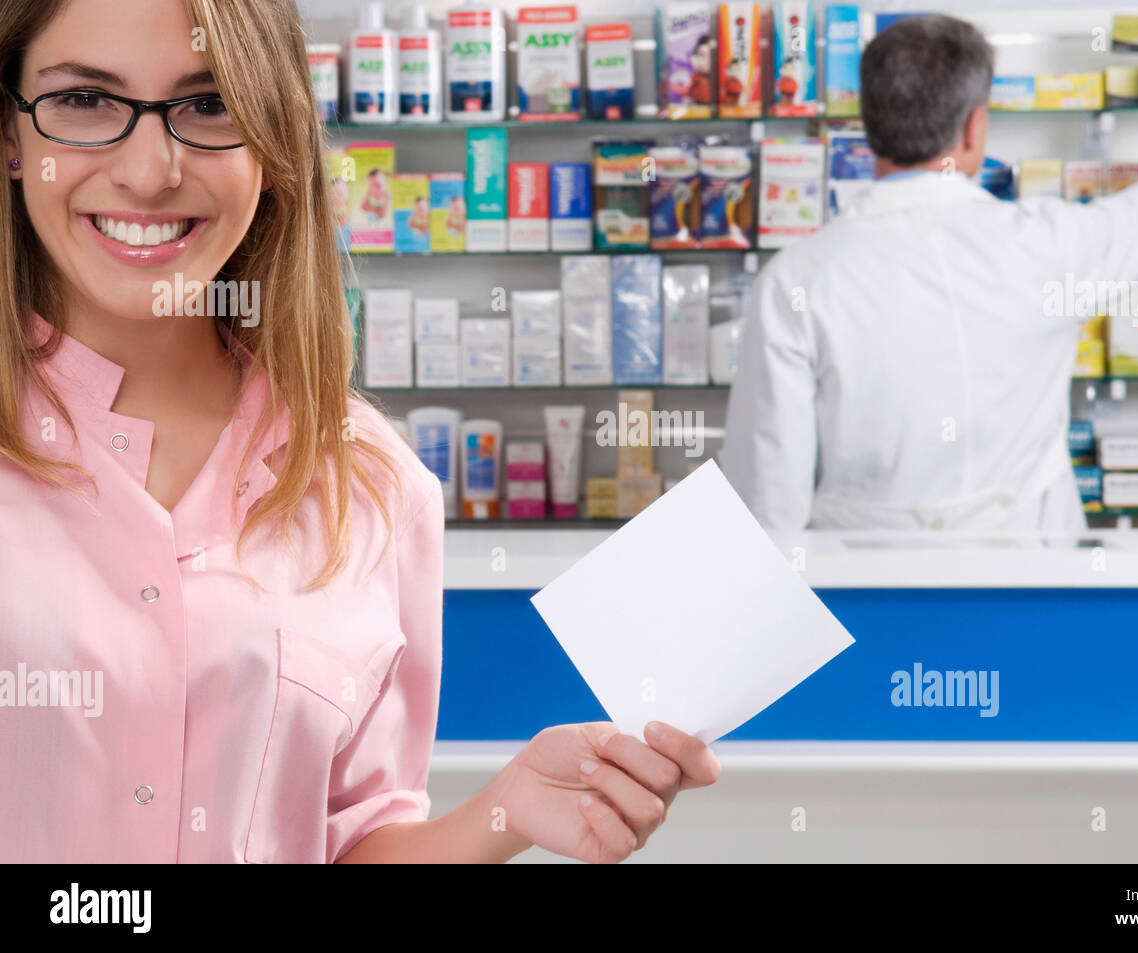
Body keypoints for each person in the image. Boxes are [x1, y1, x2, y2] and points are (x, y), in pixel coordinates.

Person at [0, 0, 719, 863]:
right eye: (85, 101)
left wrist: (504, 812)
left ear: (273, 143)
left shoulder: (372, 483)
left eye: (209, 104)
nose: (150, 171)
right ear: (13, 135)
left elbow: (348, 840)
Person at [723, 7, 1138, 534]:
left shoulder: (795, 280)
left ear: (867, 125)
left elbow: (767, 499)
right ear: (974, 128)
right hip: (1027, 582)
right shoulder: (1049, 246)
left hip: (864, 596)